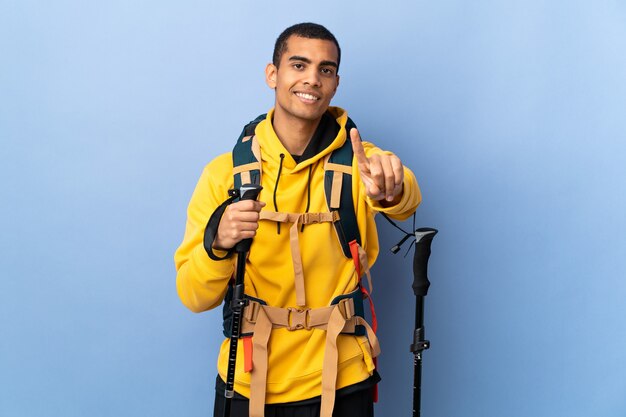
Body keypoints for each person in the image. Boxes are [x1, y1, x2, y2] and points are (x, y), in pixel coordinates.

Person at [175, 22, 421, 417]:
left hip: (343, 376)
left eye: (325, 70)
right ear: (272, 74)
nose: (312, 79)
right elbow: (194, 295)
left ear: (336, 83)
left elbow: (403, 195)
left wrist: (390, 188)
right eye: (299, 65)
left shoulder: (360, 163)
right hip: (247, 378)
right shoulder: (223, 175)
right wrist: (216, 242)